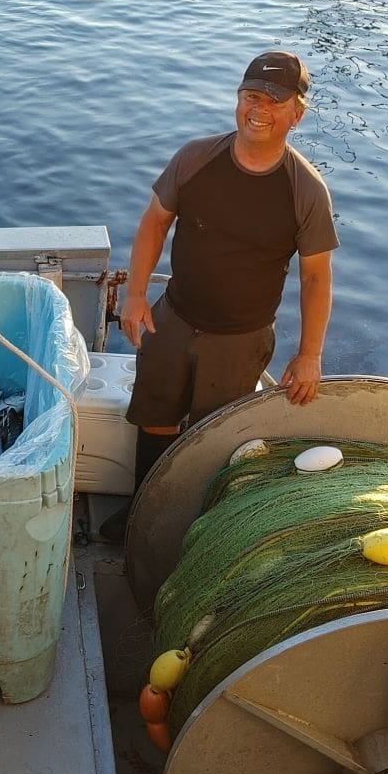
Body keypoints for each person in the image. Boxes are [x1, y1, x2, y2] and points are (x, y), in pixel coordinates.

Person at [118, 50, 339, 494]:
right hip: (174, 318)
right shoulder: (195, 158)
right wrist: (137, 294)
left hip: (241, 339)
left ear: (296, 116)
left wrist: (309, 354)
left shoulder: (306, 190)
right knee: (154, 419)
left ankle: (193, 524)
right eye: (251, 96)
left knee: (214, 439)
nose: (258, 110)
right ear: (237, 100)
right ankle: (140, 512)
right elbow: (155, 222)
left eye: (274, 102)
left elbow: (316, 277)